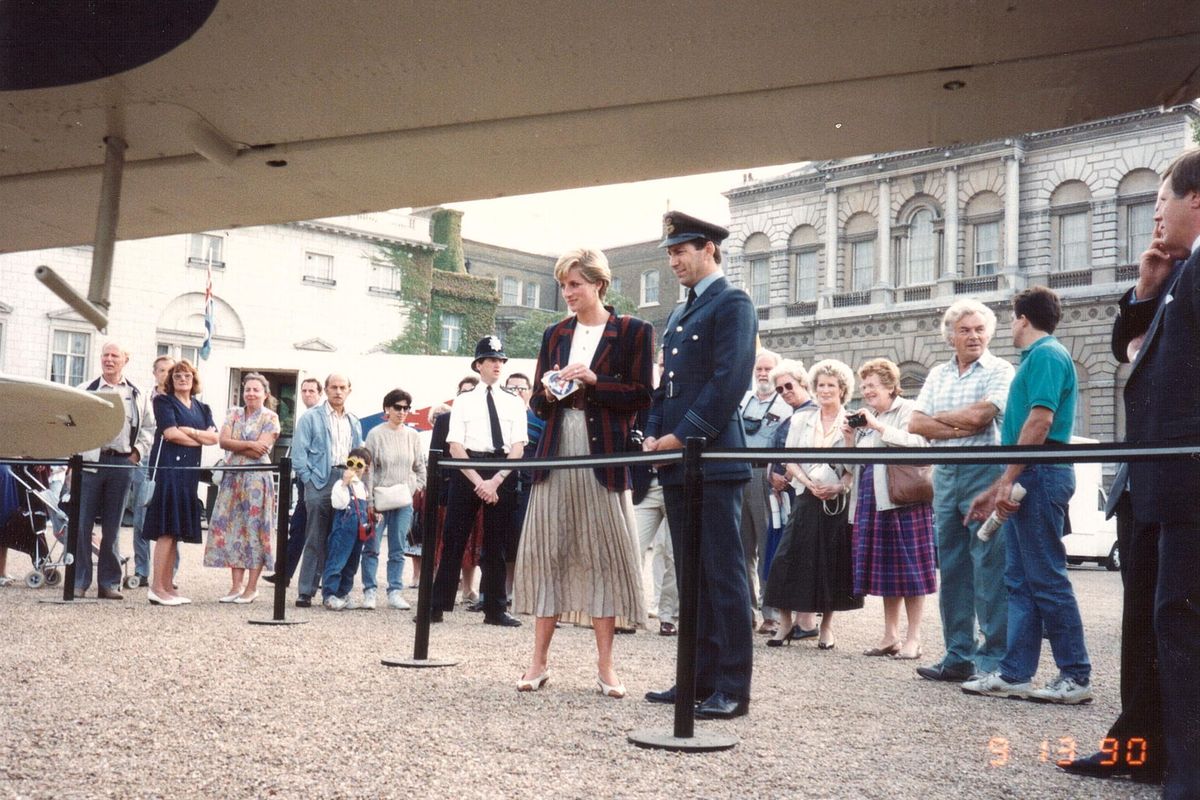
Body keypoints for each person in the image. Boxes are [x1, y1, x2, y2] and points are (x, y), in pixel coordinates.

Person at [1070, 154, 1200, 799]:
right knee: (1147, 623)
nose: (1154, 224)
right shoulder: (1179, 274)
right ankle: (1140, 746)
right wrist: (1146, 292)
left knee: (1178, 619)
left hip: (1181, 477)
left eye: (1159, 208)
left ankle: (1180, 764)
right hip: (1153, 478)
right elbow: (1134, 354)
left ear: (1195, 199)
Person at [512, 247, 653, 696]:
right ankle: (537, 663)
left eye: (575, 284)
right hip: (556, 450)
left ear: (599, 284)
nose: (568, 292)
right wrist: (552, 389)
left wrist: (594, 382)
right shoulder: (554, 333)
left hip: (603, 454)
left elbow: (641, 397)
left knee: (605, 555)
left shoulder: (633, 331)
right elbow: (535, 401)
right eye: (564, 285)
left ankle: (606, 667)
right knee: (546, 550)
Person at [643, 211, 757, 720]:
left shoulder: (732, 302)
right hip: (678, 460)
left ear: (709, 248)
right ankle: (695, 679)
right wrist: (651, 431)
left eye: (681, 250)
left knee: (723, 576)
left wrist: (682, 433)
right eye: (670, 253)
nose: (674, 261)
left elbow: (729, 378)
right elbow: (667, 384)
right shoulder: (678, 313)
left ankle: (732, 686)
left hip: (711, 458)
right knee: (691, 576)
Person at [963, 286, 1091, 704]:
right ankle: (1017, 672)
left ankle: (1075, 675)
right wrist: (997, 487)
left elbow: (1039, 422)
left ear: (1022, 318)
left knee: (1045, 578)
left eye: (1012, 318)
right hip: (1032, 474)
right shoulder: (1039, 358)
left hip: (1040, 474)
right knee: (1020, 580)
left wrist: (1006, 481)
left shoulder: (1048, 356)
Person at [908, 299, 1014, 683]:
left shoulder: (1001, 369)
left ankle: (993, 659)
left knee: (988, 565)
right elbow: (916, 424)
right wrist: (956, 425)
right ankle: (958, 654)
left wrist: (941, 421)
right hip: (946, 474)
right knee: (951, 568)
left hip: (984, 472)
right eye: (965, 330)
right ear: (951, 335)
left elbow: (981, 417)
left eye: (980, 329)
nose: (974, 336)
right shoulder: (937, 373)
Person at [764, 359, 862, 650]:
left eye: (831, 385)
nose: (825, 390)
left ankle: (827, 628)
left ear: (842, 389)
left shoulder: (852, 421)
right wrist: (808, 484)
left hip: (836, 499)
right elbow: (789, 458)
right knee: (785, 558)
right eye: (821, 385)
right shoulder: (801, 419)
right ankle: (785, 624)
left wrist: (838, 485)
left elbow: (854, 467)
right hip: (806, 494)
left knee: (830, 563)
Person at [843, 358, 935, 661]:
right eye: (864, 386)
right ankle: (890, 635)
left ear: (889, 385)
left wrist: (879, 426)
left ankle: (914, 638)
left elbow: (921, 445)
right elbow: (851, 467)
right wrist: (848, 439)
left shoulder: (907, 410)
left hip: (902, 499)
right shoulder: (868, 418)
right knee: (887, 570)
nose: (867, 391)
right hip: (873, 500)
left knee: (911, 569)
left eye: (872, 385)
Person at [429, 339, 526, 627]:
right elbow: (455, 445)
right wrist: (478, 482)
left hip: (502, 469)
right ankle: (437, 605)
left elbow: (518, 446)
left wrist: (495, 480)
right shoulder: (463, 401)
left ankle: (495, 609)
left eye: (501, 360)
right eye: (491, 359)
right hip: (467, 468)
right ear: (478, 365)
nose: (497, 364)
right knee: (454, 539)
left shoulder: (513, 401)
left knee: (496, 544)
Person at [75, 342, 156, 599]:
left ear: (125, 360)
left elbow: (149, 429)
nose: (109, 360)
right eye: (105, 355)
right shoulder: (85, 390)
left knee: (112, 526)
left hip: (122, 464)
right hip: (89, 464)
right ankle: (78, 581)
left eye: (114, 356)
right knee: (81, 524)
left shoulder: (138, 394)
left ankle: (109, 583)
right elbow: (72, 425)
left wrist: (136, 454)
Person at [142, 359, 219, 606]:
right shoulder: (163, 401)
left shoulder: (202, 407)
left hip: (189, 475)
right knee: (165, 530)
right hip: (169, 470)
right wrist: (199, 438)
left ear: (193, 379)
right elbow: (170, 433)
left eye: (186, 375)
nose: (182, 379)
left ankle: (167, 586)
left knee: (175, 531)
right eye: (177, 376)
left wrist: (192, 432)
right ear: (171, 380)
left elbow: (214, 437)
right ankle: (156, 588)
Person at [204, 372, 280, 604]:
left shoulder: (271, 417)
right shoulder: (233, 414)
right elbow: (223, 441)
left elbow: (263, 449)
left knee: (255, 530)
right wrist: (249, 444)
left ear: (265, 394)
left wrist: (240, 446)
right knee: (233, 528)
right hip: (233, 478)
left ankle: (251, 587)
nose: (251, 393)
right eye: (248, 389)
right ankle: (235, 586)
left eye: (256, 389)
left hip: (257, 480)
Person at [293, 374, 363, 607]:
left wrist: (354, 478)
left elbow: (358, 454)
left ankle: (335, 592)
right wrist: (309, 481)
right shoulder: (311, 418)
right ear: (326, 390)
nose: (338, 391)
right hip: (320, 480)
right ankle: (306, 591)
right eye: (333, 387)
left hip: (346, 479)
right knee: (315, 536)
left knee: (342, 537)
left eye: (343, 387)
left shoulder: (353, 421)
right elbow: (299, 454)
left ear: (349, 390)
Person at [764, 359, 816, 639]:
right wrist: (773, 475)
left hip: (806, 494)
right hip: (784, 494)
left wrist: (788, 475)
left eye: (789, 386)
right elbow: (776, 454)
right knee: (787, 555)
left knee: (800, 557)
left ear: (802, 383)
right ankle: (798, 620)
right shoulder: (790, 416)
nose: (784, 392)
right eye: (780, 389)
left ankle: (805, 620)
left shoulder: (814, 413)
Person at [738, 349, 789, 635]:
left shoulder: (785, 404)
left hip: (767, 476)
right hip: (739, 473)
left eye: (768, 369)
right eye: (759, 369)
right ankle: (746, 611)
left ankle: (771, 613)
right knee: (742, 549)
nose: (762, 374)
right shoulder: (743, 400)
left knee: (768, 544)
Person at [363, 388, 425, 610]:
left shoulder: (413, 436)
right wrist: (369, 501)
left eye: (406, 408)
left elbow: (420, 467)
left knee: (398, 548)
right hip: (379, 499)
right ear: (387, 409)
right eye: (397, 407)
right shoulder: (375, 435)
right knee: (372, 547)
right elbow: (368, 470)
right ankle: (369, 591)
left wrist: (414, 488)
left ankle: (395, 591)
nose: (402, 412)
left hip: (403, 501)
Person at [632, 349, 678, 637]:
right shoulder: (645, 397)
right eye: (661, 364)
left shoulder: (685, 397)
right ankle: (630, 611)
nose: (665, 368)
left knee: (671, 554)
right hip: (645, 485)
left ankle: (668, 615)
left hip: (675, 481)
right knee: (631, 546)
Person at [265, 376, 322, 587]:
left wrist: (308, 478)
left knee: (310, 529)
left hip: (316, 481)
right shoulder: (306, 416)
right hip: (304, 481)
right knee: (298, 528)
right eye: (304, 391)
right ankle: (284, 572)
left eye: (311, 391)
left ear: (319, 393)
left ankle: (292, 574)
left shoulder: (320, 417)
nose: (307, 394)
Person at [128, 354, 175, 586]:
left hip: (168, 462)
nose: (166, 375)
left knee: (170, 519)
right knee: (141, 515)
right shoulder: (145, 398)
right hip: (146, 459)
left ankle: (168, 574)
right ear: (155, 373)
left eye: (170, 370)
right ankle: (142, 569)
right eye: (162, 370)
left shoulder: (180, 399)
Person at [504, 371, 542, 603]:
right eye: (511, 388)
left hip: (530, 485)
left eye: (521, 388)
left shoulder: (540, 419)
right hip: (501, 483)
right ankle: (504, 591)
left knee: (528, 538)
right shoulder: (498, 418)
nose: (517, 393)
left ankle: (527, 593)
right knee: (503, 539)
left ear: (529, 391)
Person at [321, 447, 373, 610]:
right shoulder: (341, 484)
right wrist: (344, 483)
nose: (355, 467)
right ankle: (329, 594)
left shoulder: (363, 488)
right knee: (337, 560)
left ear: (366, 468)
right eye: (351, 463)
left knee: (352, 563)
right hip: (343, 529)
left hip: (358, 531)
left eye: (359, 464)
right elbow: (338, 503)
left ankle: (343, 593)